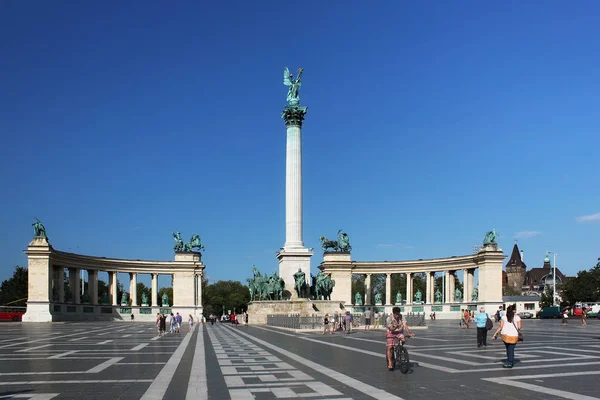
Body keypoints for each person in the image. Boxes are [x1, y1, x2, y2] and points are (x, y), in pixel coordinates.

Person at [386, 306, 415, 371]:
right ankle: (390, 363)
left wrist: (409, 333)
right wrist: (397, 326)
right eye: (396, 314)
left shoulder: (402, 317)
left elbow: (405, 325)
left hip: (399, 332)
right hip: (391, 332)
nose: (397, 316)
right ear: (393, 313)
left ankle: (400, 349)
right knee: (390, 347)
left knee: (403, 339)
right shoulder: (389, 318)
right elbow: (391, 329)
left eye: (398, 314)